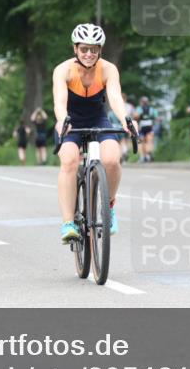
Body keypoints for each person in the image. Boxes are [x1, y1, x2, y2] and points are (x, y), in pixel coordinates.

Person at [53, 23, 134, 242]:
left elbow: (115, 97)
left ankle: (109, 207)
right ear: (75, 49)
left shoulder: (108, 69)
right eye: (84, 49)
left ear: (100, 50)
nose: (89, 54)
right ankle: (68, 223)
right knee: (69, 161)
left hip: (98, 120)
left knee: (112, 160)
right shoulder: (63, 70)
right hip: (71, 121)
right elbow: (59, 102)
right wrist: (62, 121)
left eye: (93, 49)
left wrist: (125, 118)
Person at [135, 96, 157, 163]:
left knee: (141, 142)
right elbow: (156, 117)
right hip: (149, 127)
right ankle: (147, 155)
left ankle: (143, 156)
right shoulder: (152, 109)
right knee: (148, 141)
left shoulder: (139, 108)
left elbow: (135, 116)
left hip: (142, 127)